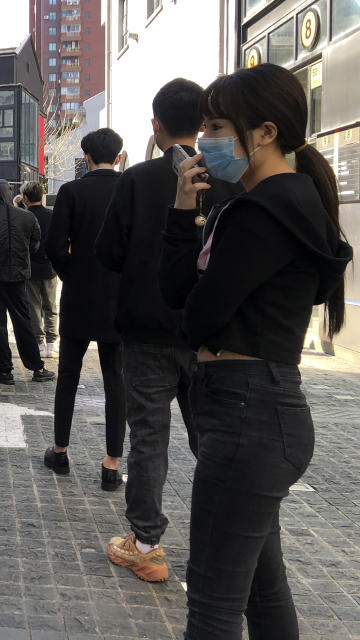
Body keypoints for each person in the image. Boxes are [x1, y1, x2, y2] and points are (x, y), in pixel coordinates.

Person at [160, 63, 351, 639]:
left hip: (248, 414)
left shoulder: (264, 212)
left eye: (218, 126)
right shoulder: (259, 204)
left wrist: (195, 274)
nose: (207, 140)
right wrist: (179, 214)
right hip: (257, 413)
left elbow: (196, 317)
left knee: (213, 607)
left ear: (263, 133)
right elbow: (180, 299)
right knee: (263, 595)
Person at [96, 79, 242, 582]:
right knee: (212, 438)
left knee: (149, 437)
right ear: (204, 125)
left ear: (155, 126)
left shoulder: (135, 181)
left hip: (147, 329)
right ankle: (227, 543)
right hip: (208, 336)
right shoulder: (230, 180)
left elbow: (108, 253)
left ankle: (147, 545)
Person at [44, 128, 125, 491]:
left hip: (78, 297)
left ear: (86, 158)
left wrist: (72, 274)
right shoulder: (129, 187)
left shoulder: (71, 192)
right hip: (118, 298)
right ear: (119, 156)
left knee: (68, 378)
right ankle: (111, 464)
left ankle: (60, 451)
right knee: (115, 381)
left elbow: (55, 246)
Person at [0, 180, 55, 384]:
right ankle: (37, 368)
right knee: (23, 322)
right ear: (9, 194)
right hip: (17, 277)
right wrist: (22, 254)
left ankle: (5, 371)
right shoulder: (27, 216)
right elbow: (35, 242)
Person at [21, 180, 59, 357]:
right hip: (50, 267)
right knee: (51, 306)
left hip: (30, 269)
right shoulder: (52, 216)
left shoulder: (23, 217)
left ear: (25, 198)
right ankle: (52, 343)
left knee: (34, 307)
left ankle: (39, 342)